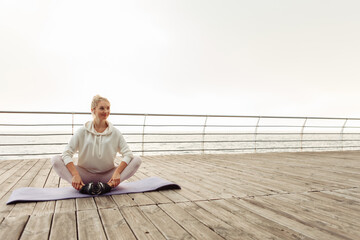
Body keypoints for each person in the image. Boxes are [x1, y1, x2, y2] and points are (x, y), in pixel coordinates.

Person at [51, 95, 142, 191]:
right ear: (93, 110)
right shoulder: (82, 131)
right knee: (55, 159)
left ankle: (107, 187)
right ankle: (82, 187)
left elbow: (128, 154)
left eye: (108, 108)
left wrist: (117, 173)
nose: (106, 111)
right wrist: (75, 175)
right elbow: (66, 154)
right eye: (102, 108)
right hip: (84, 176)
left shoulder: (115, 133)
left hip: (108, 177)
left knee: (137, 160)